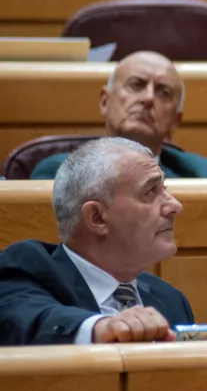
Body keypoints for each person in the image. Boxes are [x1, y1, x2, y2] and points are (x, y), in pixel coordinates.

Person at [0, 138, 192, 345]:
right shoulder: (26, 271)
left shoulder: (171, 300)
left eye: (164, 189)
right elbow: (28, 320)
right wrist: (102, 327)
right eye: (150, 192)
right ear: (97, 218)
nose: (175, 206)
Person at [30, 51, 207, 180]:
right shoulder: (60, 173)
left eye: (163, 92)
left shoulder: (200, 174)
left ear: (174, 122)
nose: (148, 98)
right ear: (105, 101)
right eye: (136, 85)